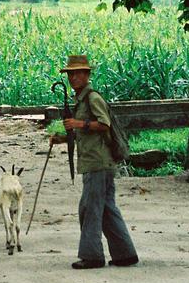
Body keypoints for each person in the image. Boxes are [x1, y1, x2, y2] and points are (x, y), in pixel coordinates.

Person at [49, 54, 138, 270]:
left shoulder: (92, 98)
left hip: (98, 162)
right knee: (107, 208)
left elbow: (104, 124)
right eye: (70, 73)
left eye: (78, 73)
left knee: (89, 208)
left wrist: (79, 123)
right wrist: (62, 138)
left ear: (87, 75)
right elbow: (85, 132)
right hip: (98, 162)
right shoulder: (81, 99)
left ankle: (92, 257)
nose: (73, 77)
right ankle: (125, 254)